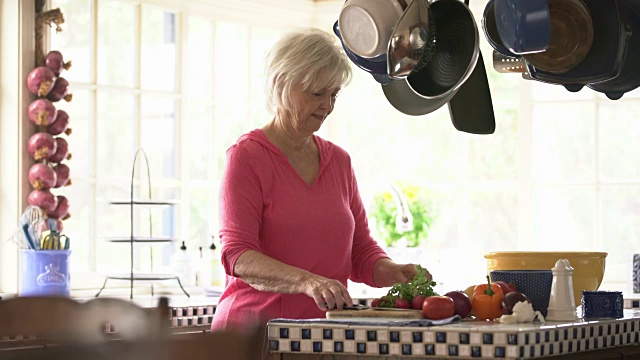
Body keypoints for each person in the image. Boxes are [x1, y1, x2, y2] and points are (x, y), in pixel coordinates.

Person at [210, 27, 431, 331]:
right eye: (317, 93)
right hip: (251, 334)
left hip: (320, 335)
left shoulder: (338, 161)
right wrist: (306, 281)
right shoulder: (247, 157)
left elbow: (359, 252)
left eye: (333, 95)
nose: (327, 106)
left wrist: (393, 271)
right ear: (280, 84)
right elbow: (238, 255)